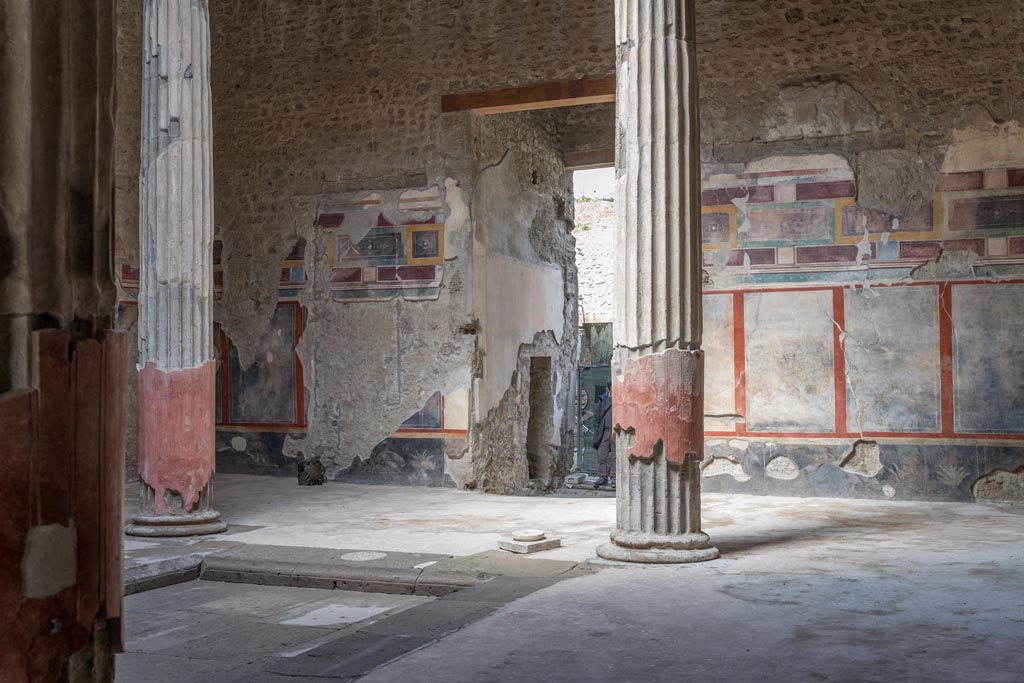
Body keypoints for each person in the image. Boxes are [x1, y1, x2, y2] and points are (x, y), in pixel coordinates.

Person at [592, 381, 615, 488]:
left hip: (616, 431)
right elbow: (597, 415)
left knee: (616, 456)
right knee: (601, 454)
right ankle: (603, 476)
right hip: (604, 431)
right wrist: (598, 428)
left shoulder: (621, 398)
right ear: (609, 389)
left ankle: (614, 477)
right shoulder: (603, 399)